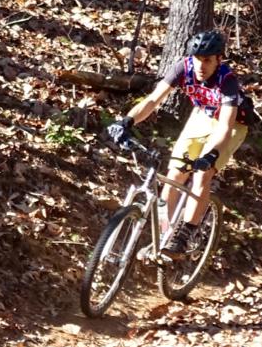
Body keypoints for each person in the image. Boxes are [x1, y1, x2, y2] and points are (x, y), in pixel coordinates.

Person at [107, 29, 252, 256]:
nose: (201, 66)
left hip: (232, 124)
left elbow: (225, 125)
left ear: (218, 60)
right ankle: (164, 238)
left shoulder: (227, 81)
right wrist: (127, 121)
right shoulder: (183, 68)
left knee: (202, 173)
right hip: (203, 115)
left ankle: (185, 235)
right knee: (175, 173)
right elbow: (154, 99)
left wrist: (211, 154)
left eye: (207, 61)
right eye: (197, 60)